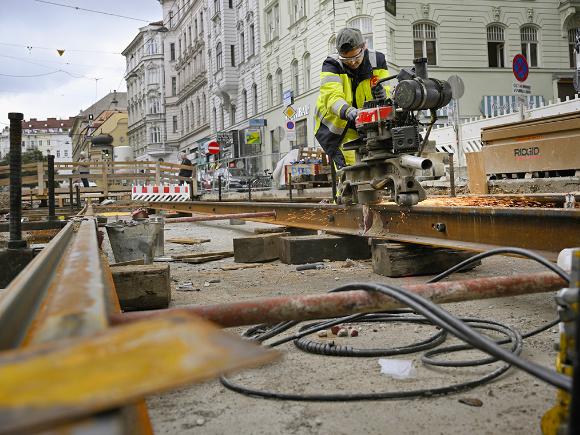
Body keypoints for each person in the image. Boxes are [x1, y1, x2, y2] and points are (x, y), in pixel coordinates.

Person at [314, 28, 391, 169]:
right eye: (347, 59)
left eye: (356, 57)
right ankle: (348, 191)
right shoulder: (331, 65)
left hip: (366, 124)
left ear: (364, 47)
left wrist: (383, 94)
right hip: (337, 126)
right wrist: (348, 111)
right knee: (352, 167)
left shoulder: (377, 60)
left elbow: (387, 88)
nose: (353, 62)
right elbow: (332, 97)